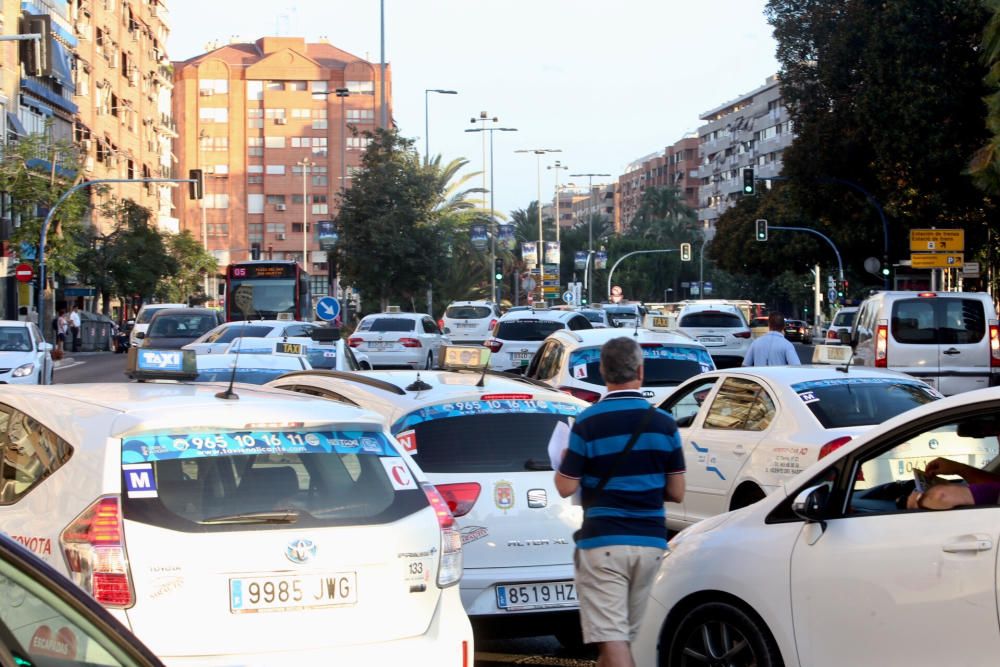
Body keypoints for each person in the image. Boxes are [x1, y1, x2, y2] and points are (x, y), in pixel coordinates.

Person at [554, 337, 685, 667]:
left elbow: (565, 487)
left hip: (605, 543)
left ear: (602, 371)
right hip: (651, 544)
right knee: (617, 643)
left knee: (613, 643)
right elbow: (677, 491)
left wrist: (569, 459)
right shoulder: (664, 423)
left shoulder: (588, 422)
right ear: (641, 371)